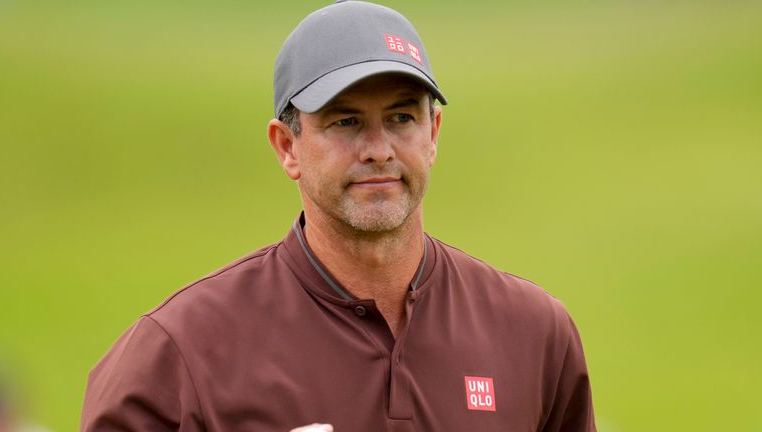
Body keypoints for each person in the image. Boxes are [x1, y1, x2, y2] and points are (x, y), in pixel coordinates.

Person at [80, 1, 596, 431]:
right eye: (345, 121)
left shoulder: (533, 334)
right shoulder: (180, 356)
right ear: (287, 147)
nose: (378, 149)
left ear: (433, 133)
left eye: (401, 117)